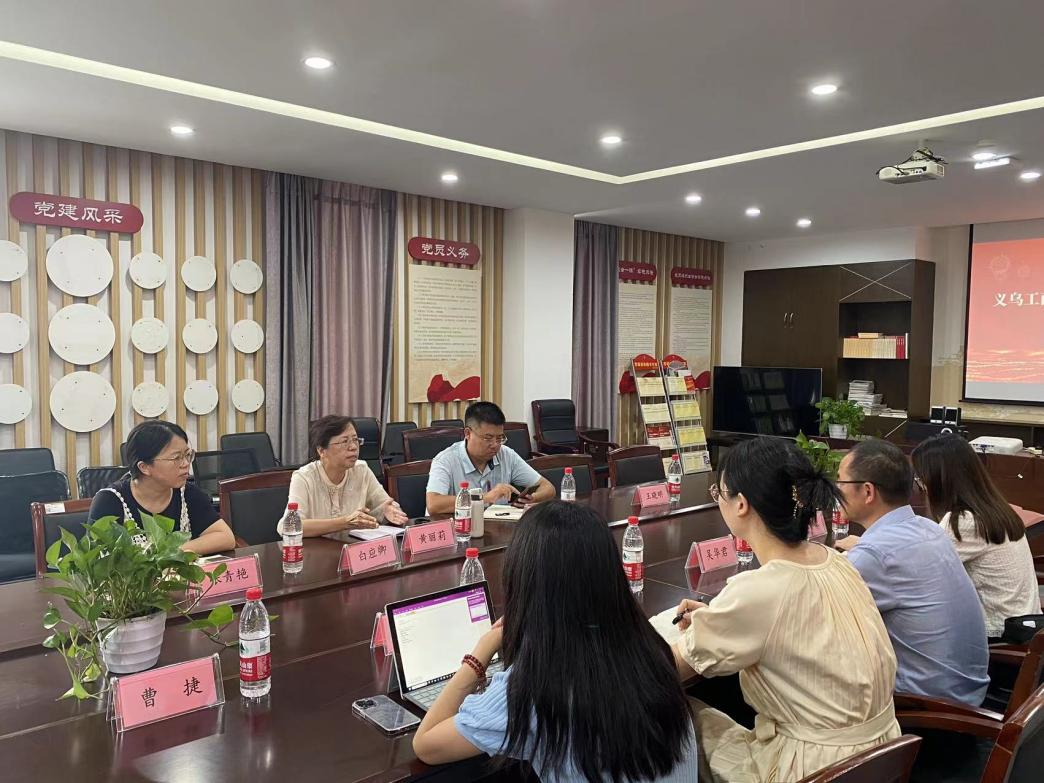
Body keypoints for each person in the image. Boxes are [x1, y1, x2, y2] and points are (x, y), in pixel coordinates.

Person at [413, 501, 699, 781]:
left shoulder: (535, 685)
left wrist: (483, 649)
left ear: (522, 581)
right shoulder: (649, 648)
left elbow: (426, 744)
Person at [672, 437, 900, 783]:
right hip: (881, 757)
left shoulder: (761, 590)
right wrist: (717, 619)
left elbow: (665, 668)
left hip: (811, 768)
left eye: (719, 493)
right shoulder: (837, 561)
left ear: (741, 504)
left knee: (678, 712)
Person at [835, 438, 989, 705]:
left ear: (868, 491)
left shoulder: (875, 553)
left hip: (927, 708)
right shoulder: (927, 528)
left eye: (840, 482)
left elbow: (820, 614)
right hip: (966, 692)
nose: (835, 490)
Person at [911, 434, 1039, 640]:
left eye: (920, 480)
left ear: (938, 481)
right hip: (1025, 623)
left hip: (999, 635)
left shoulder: (963, 521)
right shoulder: (995, 509)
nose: (920, 488)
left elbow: (919, 572)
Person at [88, 420, 236, 555]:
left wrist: (171, 554)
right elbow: (99, 560)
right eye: (176, 458)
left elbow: (226, 537)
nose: (186, 464)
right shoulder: (109, 501)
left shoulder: (187, 493)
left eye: (187, 455)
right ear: (144, 467)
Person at [282, 415, 407, 537]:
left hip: (352, 547)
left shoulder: (361, 470)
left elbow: (383, 504)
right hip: (316, 549)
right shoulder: (304, 477)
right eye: (344, 441)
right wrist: (344, 523)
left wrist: (389, 511)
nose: (353, 447)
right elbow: (290, 526)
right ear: (321, 451)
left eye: (355, 440)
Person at [425, 401, 554, 515]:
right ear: (468, 433)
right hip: (459, 529)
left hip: (497, 529)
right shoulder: (445, 460)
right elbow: (433, 504)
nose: (495, 445)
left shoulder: (506, 455)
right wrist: (485, 498)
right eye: (488, 438)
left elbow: (548, 488)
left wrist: (533, 498)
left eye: (500, 438)